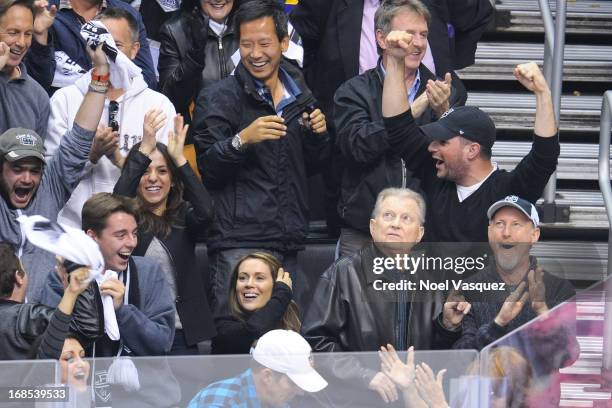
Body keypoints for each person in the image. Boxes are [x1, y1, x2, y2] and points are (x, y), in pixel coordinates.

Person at [191, 0, 329, 312]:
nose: (255, 54)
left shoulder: (301, 96)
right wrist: (242, 140)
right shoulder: (218, 96)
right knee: (234, 346)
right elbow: (209, 168)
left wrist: (317, 134)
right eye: (247, 44)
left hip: (288, 238)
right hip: (237, 242)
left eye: (264, 43)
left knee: (287, 346)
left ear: (283, 43)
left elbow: (317, 164)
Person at [302, 187, 470, 404]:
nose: (395, 224)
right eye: (388, 215)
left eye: (406, 218)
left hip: (417, 399)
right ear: (373, 227)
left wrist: (447, 326)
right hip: (361, 399)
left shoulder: (436, 276)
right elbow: (316, 341)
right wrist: (365, 376)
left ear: (419, 234)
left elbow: (444, 356)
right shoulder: (344, 273)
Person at [381, 39, 559, 243]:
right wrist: (394, 60)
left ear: (472, 150)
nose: (432, 147)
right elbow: (397, 128)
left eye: (443, 141)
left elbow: (545, 156)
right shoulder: (434, 174)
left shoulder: (508, 190)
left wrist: (542, 93)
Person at [334, 0, 466, 257]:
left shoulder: (447, 90)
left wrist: (444, 114)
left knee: (421, 299)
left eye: (423, 35)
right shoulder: (353, 91)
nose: (418, 43)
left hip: (425, 233)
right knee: (353, 297)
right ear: (382, 39)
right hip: (364, 229)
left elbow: (461, 164)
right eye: (408, 34)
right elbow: (358, 148)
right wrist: (412, 111)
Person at [46, 7, 176, 229]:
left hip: (136, 232)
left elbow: (166, 178)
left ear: (135, 50)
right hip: (74, 232)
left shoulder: (159, 106)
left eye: (116, 46)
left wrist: (121, 159)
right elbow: (49, 177)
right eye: (101, 44)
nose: (108, 53)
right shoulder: (64, 100)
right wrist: (90, 155)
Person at [0, 42, 108, 302]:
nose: (27, 178)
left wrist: (101, 72)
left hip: (40, 329)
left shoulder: (48, 188)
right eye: (17, 169)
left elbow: (80, 138)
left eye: (34, 170)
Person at [113, 112, 215, 355]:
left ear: (172, 178)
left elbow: (207, 212)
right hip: (138, 329)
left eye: (162, 171)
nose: (153, 178)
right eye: (145, 172)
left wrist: (179, 158)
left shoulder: (184, 216)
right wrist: (143, 150)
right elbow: (116, 204)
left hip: (182, 333)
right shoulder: (129, 222)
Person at [41, 193, 175, 357]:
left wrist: (122, 311)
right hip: (84, 378)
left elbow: (162, 344)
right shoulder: (63, 277)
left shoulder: (149, 271)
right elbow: (52, 345)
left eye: (134, 233)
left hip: (146, 381)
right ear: (92, 237)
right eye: (121, 235)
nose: (132, 242)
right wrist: (75, 295)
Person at [453, 195, 576, 350]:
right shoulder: (468, 289)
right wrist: (498, 324)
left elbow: (568, 355)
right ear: (490, 233)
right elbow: (461, 354)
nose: (506, 233)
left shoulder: (559, 289)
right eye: (499, 224)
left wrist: (543, 312)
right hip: (483, 375)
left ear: (534, 235)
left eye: (516, 224)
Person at [27, 0, 156, 91]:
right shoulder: (42, 11)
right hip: (63, 115)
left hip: (117, 110)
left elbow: (147, 80)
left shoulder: (128, 14)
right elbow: (38, 84)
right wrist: (40, 36)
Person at [0, 242, 94, 360]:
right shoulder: (26, 316)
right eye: (23, 267)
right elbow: (87, 328)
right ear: (19, 277)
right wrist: (78, 275)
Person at [188, 329, 328, 407]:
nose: (300, 392)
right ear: (267, 376)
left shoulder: (277, 403)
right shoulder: (220, 402)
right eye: (293, 383)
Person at [158, 0, 241, 120]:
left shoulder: (251, 24)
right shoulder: (175, 31)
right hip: (198, 134)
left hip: (248, 131)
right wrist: (194, 56)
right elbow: (169, 102)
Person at [211, 251, 300, 354]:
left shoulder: (291, 326)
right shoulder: (222, 326)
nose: (248, 284)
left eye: (259, 278)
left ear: (276, 285)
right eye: (242, 278)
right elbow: (252, 331)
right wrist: (282, 295)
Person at [0, 0, 55, 137]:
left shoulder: (38, 96)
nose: (21, 43)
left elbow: (36, 156)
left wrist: (40, 34)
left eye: (28, 34)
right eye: (13, 32)